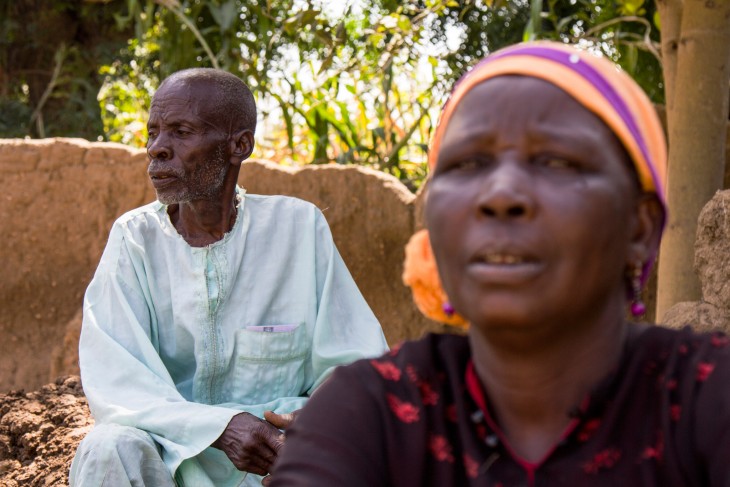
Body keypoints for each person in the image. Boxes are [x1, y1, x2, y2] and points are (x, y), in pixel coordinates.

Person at [270, 41, 730, 486]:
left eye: (557, 161)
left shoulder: (710, 399)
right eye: (468, 164)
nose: (501, 195)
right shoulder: (367, 414)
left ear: (640, 227)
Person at [69, 68, 388, 487]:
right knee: (108, 448)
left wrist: (316, 426)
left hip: (278, 458)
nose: (156, 149)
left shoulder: (298, 228)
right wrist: (220, 425)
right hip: (173, 455)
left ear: (240, 145)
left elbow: (356, 364)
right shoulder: (135, 240)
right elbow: (118, 381)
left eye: (180, 131)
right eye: (153, 132)